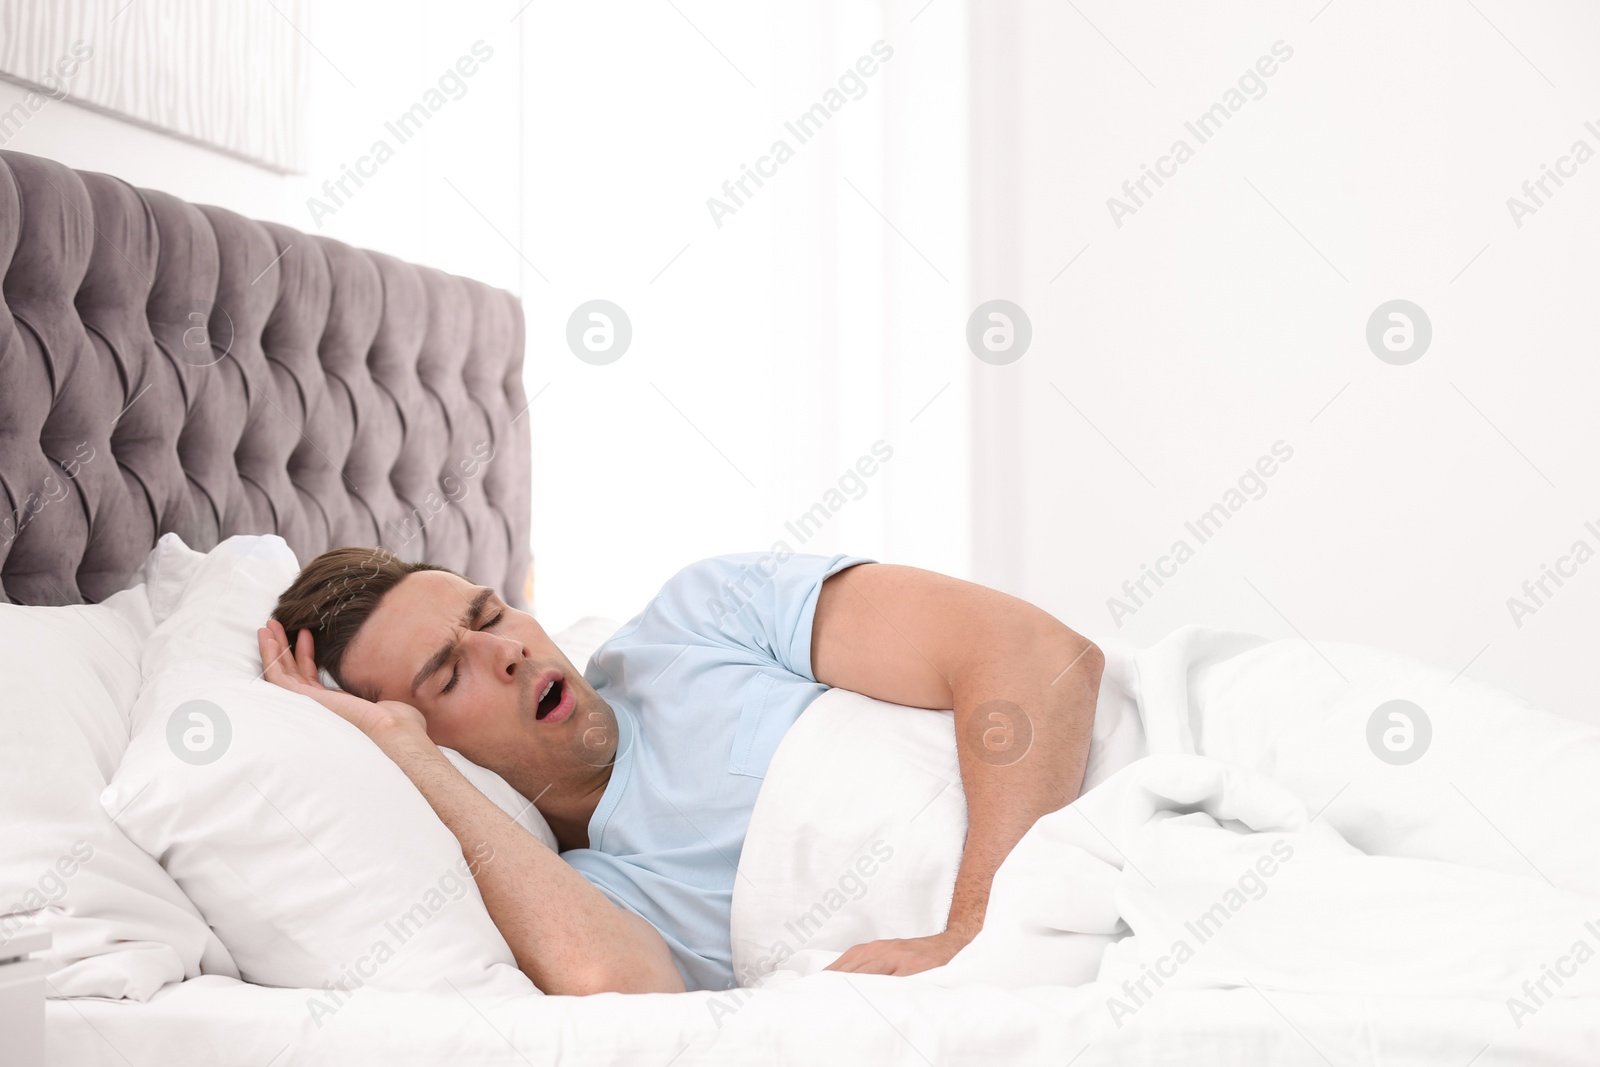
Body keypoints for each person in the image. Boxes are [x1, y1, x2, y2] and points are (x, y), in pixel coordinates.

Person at [257, 548, 1103, 996]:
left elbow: (1036, 655)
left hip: (1111, 778)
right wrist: (405, 755)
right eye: (450, 672)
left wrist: (976, 933)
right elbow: (617, 988)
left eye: (488, 614)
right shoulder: (584, 893)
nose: (507, 650)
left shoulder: (700, 620)